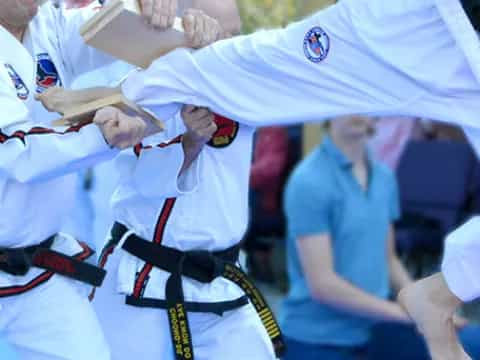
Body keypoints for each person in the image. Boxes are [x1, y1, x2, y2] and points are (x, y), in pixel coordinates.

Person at [44, 0, 480, 357]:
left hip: (222, 277)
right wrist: (187, 140)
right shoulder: (163, 88)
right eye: (219, 32)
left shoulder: (241, 94)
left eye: (235, 34)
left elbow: (258, 66)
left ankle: (443, 291)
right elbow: (141, 175)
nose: (229, 41)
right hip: (145, 277)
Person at [0, 0, 213, 358]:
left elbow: (112, 23)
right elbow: (18, 153)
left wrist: (175, 24)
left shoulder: (47, 26)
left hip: (36, 270)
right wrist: (100, 134)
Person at [281, 115, 480, 360]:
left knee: (475, 342)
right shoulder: (308, 181)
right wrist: (408, 313)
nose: (357, 112)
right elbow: (323, 285)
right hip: (319, 338)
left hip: (376, 328)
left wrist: (425, 303)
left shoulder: (384, 177)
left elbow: (389, 259)